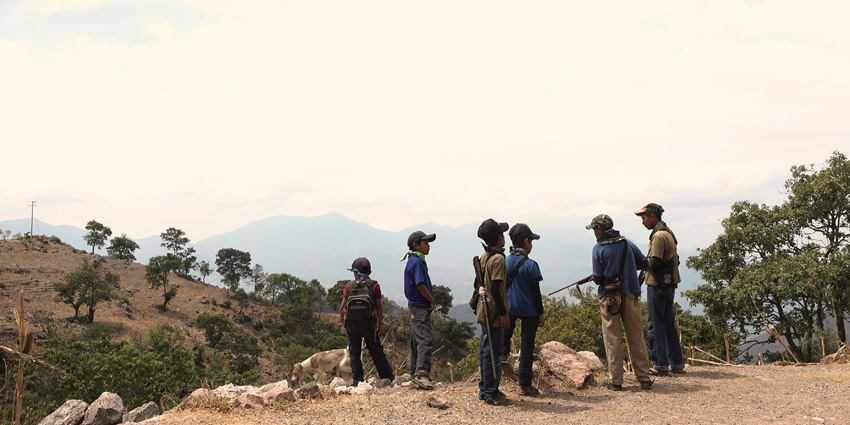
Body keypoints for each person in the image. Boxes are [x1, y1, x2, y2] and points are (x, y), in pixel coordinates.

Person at [584, 214, 653, 391]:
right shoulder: (627, 243)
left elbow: (599, 277)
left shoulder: (598, 248)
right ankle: (644, 378)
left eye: (594, 229)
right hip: (630, 293)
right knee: (636, 336)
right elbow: (643, 262)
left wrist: (599, 277)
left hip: (609, 297)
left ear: (600, 228)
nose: (594, 233)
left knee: (612, 338)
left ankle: (616, 380)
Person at [634, 202, 686, 376]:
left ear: (652, 217)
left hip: (657, 284)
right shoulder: (668, 233)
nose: (642, 222)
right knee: (668, 323)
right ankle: (677, 363)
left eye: (644, 218)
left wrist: (637, 264)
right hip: (669, 283)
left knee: (655, 325)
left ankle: (660, 364)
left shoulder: (658, 236)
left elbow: (654, 262)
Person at [501, 223, 545, 397]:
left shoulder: (504, 261)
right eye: (531, 241)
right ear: (526, 242)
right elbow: (536, 293)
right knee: (526, 348)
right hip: (529, 311)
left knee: (503, 341)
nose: (532, 245)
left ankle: (499, 367)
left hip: (509, 309)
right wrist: (540, 313)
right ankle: (524, 385)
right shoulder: (531, 265)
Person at [339, 257, 395, 386]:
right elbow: (379, 306)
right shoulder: (374, 285)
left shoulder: (349, 286)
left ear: (354, 272)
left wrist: (343, 323)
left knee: (354, 353)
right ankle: (388, 378)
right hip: (369, 325)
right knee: (376, 351)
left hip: (352, 326)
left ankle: (358, 382)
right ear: (370, 272)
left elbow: (342, 307)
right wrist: (380, 325)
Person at [475, 218, 512, 405]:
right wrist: (504, 313)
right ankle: (491, 392)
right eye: (502, 234)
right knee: (494, 353)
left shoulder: (485, 256)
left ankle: (485, 389)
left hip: (484, 311)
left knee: (485, 351)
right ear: (499, 237)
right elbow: (497, 288)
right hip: (494, 314)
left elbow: (478, 283)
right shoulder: (498, 259)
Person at [402, 230, 437, 390]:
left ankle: (415, 372)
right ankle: (422, 374)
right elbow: (420, 285)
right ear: (416, 245)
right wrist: (431, 300)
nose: (429, 246)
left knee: (417, 339)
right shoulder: (416, 263)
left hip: (415, 306)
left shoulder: (414, 260)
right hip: (419, 306)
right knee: (425, 339)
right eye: (426, 243)